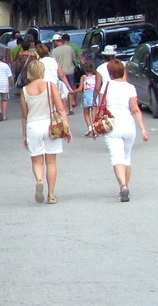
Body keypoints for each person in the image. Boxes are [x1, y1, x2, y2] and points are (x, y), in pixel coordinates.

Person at [20, 58, 72, 204]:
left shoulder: (24, 91)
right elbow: (61, 108)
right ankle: (51, 194)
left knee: (37, 161)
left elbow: (24, 115)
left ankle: (39, 180)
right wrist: (67, 128)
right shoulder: (50, 86)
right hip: (50, 126)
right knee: (51, 162)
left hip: (33, 126)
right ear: (42, 71)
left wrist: (25, 135)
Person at [98, 58, 150, 201]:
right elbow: (135, 110)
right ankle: (126, 185)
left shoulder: (106, 86)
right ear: (123, 71)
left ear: (109, 72)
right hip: (128, 125)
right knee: (127, 157)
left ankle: (122, 186)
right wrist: (143, 129)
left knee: (116, 158)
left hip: (111, 125)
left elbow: (100, 106)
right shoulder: (130, 87)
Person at [51, 34, 79, 112]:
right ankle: (71, 107)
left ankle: (65, 108)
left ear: (55, 41)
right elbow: (74, 58)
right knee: (70, 88)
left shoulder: (54, 51)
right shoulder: (69, 48)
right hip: (70, 70)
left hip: (61, 72)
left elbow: (54, 62)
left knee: (63, 90)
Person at [75, 60, 103, 135]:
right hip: (94, 95)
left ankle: (90, 127)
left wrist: (73, 92)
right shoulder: (96, 77)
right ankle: (95, 129)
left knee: (86, 113)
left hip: (86, 95)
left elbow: (80, 88)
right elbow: (98, 86)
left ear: (84, 69)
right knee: (94, 113)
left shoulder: (83, 77)